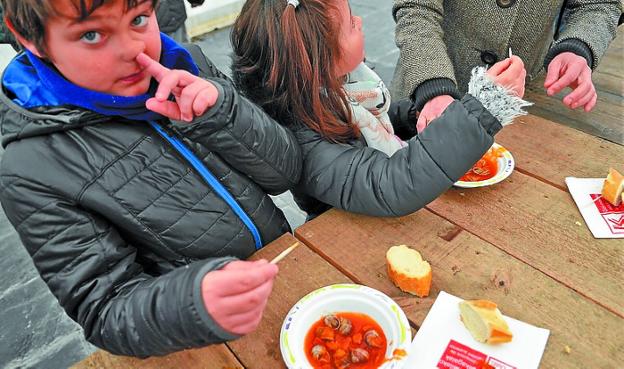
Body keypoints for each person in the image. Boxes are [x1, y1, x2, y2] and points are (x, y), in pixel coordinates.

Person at [0, 0, 302, 358]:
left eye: (139, 18)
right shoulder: (31, 169)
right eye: (92, 34)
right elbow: (104, 310)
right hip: (192, 337)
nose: (134, 48)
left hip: (286, 265)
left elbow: (284, 172)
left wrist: (223, 112)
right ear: (29, 38)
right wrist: (189, 304)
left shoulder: (189, 64)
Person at [230, 0, 530, 219]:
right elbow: (393, 185)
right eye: (350, 24)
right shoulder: (308, 145)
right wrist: (485, 107)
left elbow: (374, 124)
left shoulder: (338, 90)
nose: (359, 21)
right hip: (343, 235)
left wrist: (413, 116)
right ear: (320, 62)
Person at [392, 0, 622, 132]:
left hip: (520, 111)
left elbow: (600, 4)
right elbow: (416, 9)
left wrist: (578, 45)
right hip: (422, 102)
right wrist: (433, 85)